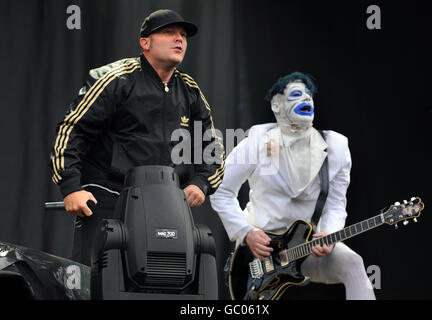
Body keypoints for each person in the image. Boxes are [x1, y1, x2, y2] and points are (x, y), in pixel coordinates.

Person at [50, 9, 224, 266]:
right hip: (108, 198)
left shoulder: (190, 91)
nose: (179, 39)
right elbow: (72, 129)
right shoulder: (115, 78)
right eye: (169, 32)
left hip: (166, 204)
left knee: (161, 283)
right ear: (145, 43)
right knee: (97, 283)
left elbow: (213, 149)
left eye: (184, 35)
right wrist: (71, 187)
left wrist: (201, 183)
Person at [210, 72, 375, 300]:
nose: (306, 100)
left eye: (309, 96)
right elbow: (221, 190)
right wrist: (246, 233)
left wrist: (330, 234)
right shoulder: (257, 142)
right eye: (296, 94)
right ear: (276, 105)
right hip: (260, 253)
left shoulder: (336, 147)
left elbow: (336, 204)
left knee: (354, 264)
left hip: (305, 249)